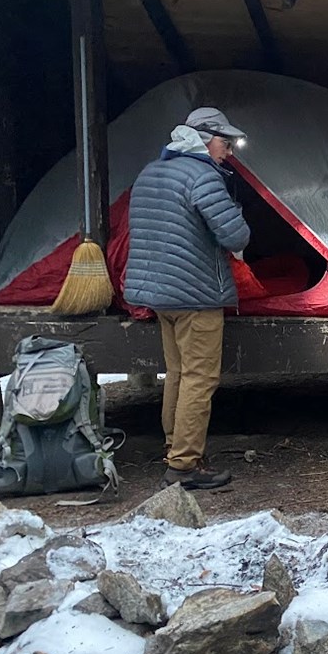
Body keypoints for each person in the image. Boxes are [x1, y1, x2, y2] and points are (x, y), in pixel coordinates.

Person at [124, 107, 251, 490]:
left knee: (177, 374)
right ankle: (183, 467)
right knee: (199, 379)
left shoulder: (150, 172)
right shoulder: (203, 177)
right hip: (196, 295)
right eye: (224, 143)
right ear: (203, 139)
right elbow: (236, 237)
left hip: (160, 296)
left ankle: (176, 449)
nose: (228, 151)